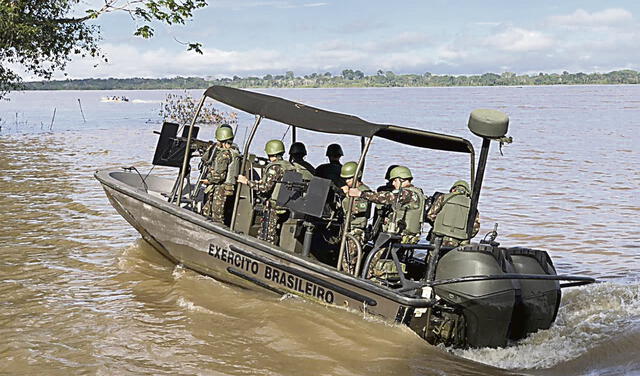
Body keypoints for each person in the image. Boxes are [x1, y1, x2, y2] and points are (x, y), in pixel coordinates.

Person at [237, 139, 295, 245]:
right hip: (285, 205)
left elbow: (264, 188)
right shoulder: (289, 167)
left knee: (266, 236)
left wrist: (247, 181)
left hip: (273, 206)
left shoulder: (275, 167)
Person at [201, 125, 240, 224]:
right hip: (223, 187)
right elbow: (206, 159)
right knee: (209, 209)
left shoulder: (224, 155)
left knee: (217, 214)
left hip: (220, 188)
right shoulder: (233, 151)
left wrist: (208, 180)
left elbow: (220, 176)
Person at [339, 161, 371, 274]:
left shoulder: (364, 192)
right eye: (346, 179)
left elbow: (356, 209)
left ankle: (350, 279)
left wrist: (348, 196)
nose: (347, 181)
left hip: (356, 231)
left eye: (349, 178)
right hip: (349, 228)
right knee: (346, 259)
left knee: (350, 260)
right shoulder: (353, 190)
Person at [426, 180, 480, 247]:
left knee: (432, 255)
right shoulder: (472, 204)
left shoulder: (443, 197)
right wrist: (464, 235)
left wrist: (437, 225)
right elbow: (475, 228)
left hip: (439, 237)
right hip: (458, 241)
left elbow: (430, 215)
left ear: (453, 189)